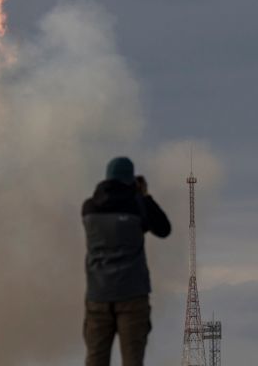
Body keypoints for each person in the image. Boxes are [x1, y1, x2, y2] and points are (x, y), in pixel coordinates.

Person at [82, 156, 172, 366]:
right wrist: (144, 195)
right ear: (131, 179)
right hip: (132, 294)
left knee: (95, 358)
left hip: (98, 295)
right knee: (132, 359)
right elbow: (164, 229)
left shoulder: (89, 208)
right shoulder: (138, 205)